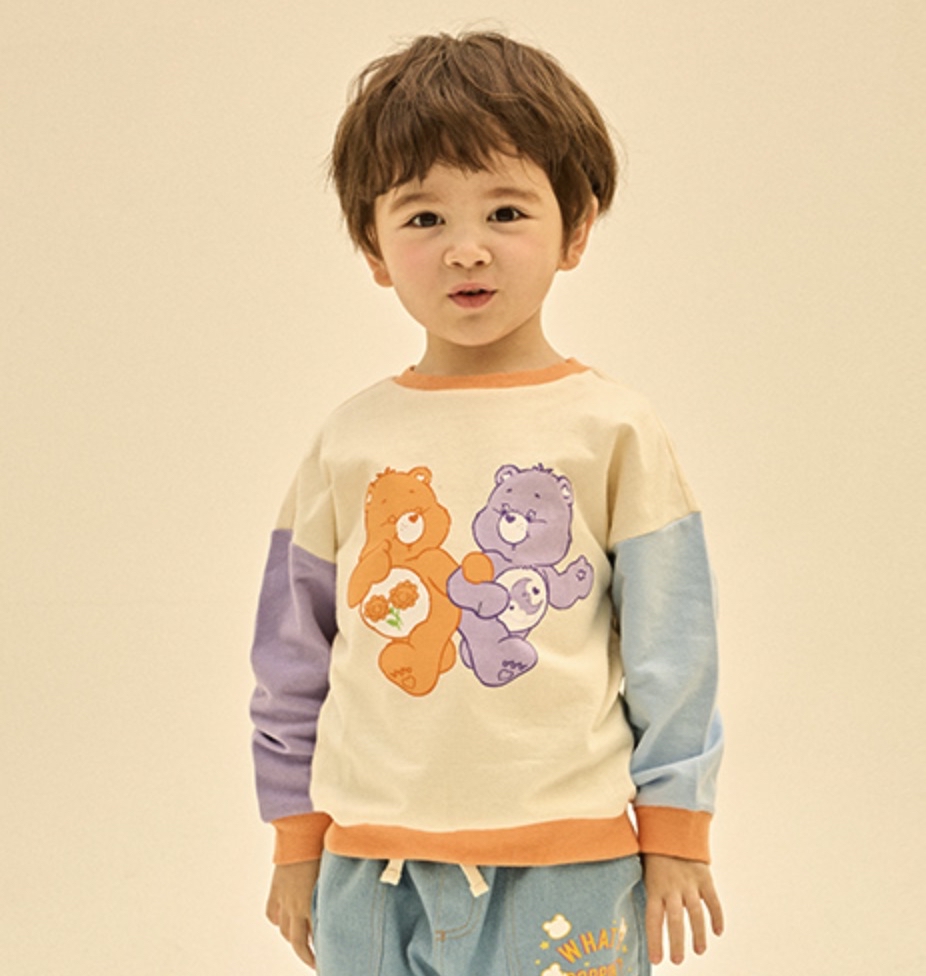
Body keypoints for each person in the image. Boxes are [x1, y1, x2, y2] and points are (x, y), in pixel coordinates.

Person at [250, 30, 724, 974]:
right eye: (423, 217)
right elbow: (291, 659)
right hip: (372, 869)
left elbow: (674, 649)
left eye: (506, 211)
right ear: (373, 247)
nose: (466, 250)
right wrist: (296, 841)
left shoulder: (614, 430)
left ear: (576, 229)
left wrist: (677, 828)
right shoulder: (348, 441)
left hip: (571, 868)